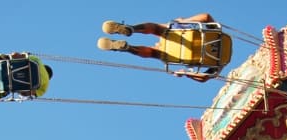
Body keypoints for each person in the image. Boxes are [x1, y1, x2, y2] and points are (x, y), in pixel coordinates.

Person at [96, 13, 231, 82]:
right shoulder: (220, 64)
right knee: (155, 53)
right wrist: (184, 73)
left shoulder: (217, 35)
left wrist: (183, 21)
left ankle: (132, 29)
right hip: (181, 55)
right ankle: (129, 48)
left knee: (158, 28)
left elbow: (205, 16)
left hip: (184, 36)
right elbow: (205, 78)